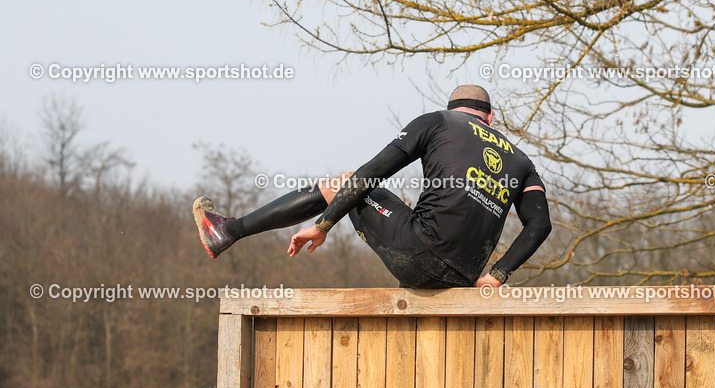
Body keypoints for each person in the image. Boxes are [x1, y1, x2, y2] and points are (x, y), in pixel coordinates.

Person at [192, 85, 551, 288]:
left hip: (420, 254)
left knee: (344, 181)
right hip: (466, 275)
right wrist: (498, 275)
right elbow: (540, 224)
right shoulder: (522, 161)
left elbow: (369, 174)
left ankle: (228, 232)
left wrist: (323, 225)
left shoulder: (439, 121)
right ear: (490, 117)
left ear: (454, 109)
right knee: (410, 212)